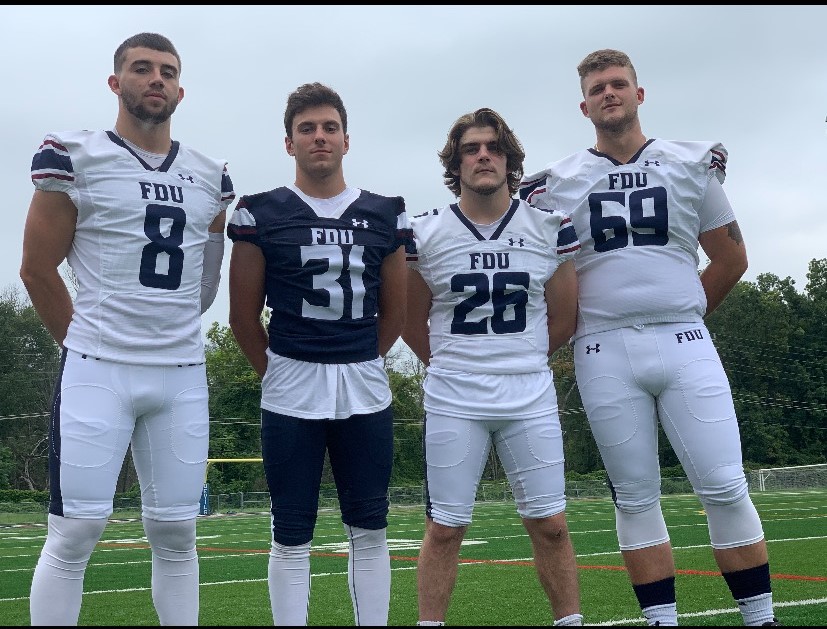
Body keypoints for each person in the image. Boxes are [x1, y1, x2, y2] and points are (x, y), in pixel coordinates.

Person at [520, 49, 781, 627]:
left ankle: (761, 618)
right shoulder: (557, 182)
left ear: (640, 94)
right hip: (602, 349)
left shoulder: (690, 162)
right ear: (583, 105)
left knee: (725, 485)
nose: (608, 93)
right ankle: (661, 621)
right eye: (596, 87)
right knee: (635, 498)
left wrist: (681, 310)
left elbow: (731, 257)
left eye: (618, 84)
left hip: (684, 343)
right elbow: (541, 275)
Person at [19, 32, 235, 625]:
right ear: (116, 83)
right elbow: (36, 271)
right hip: (99, 367)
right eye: (142, 69)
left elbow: (205, 287)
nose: (156, 79)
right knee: (75, 532)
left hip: (181, 372)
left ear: (181, 90)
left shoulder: (208, 176)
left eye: (167, 71)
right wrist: (87, 344)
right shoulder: (74, 155)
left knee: (176, 533)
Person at [226, 81, 409, 626]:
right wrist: (282, 368)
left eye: (329, 127)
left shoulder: (385, 212)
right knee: (290, 530)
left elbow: (394, 315)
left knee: (370, 527)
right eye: (307, 129)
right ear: (289, 143)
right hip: (290, 382)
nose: (319, 137)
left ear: (347, 140)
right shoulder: (261, 212)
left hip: (363, 384)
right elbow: (242, 317)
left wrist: (356, 358)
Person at [403, 107, 584, 627]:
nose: (483, 155)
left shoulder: (549, 227)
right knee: (445, 527)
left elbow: (564, 318)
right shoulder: (426, 231)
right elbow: (413, 323)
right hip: (454, 394)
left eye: (493, 147)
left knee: (550, 523)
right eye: (470, 148)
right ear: (455, 163)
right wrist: (460, 367)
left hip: (528, 392)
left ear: (510, 161)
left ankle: (569, 621)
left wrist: (518, 360)